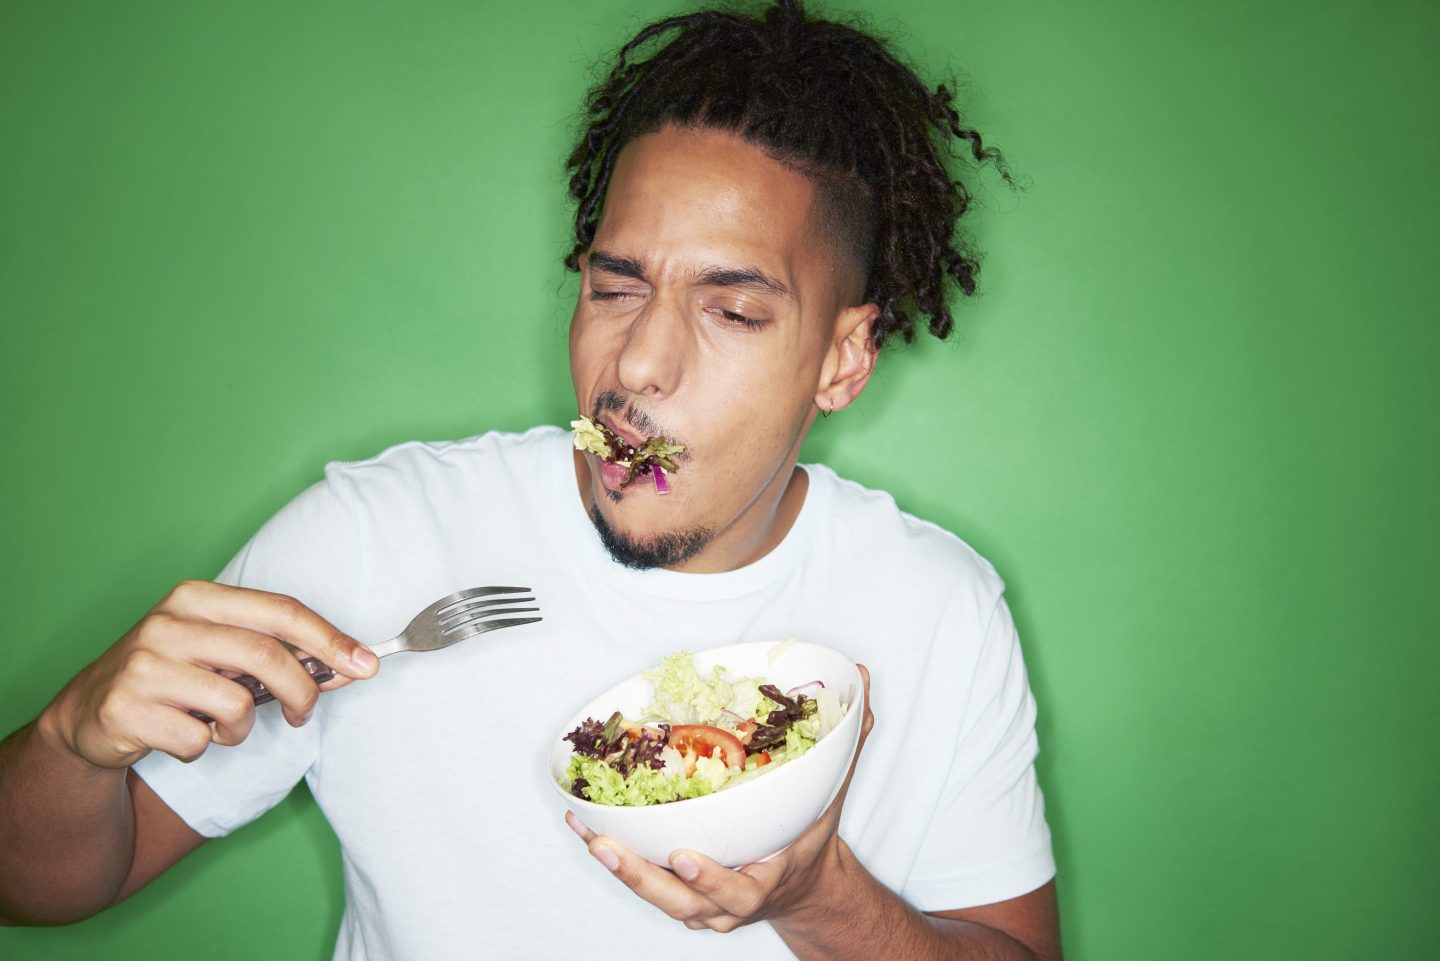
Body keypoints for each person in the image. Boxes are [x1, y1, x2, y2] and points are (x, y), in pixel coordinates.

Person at [0, 2, 1060, 958]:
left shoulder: (938, 609)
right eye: (614, 287)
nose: (639, 364)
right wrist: (69, 742)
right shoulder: (376, 543)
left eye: (731, 311)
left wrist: (821, 894)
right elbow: (39, 884)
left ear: (844, 357)